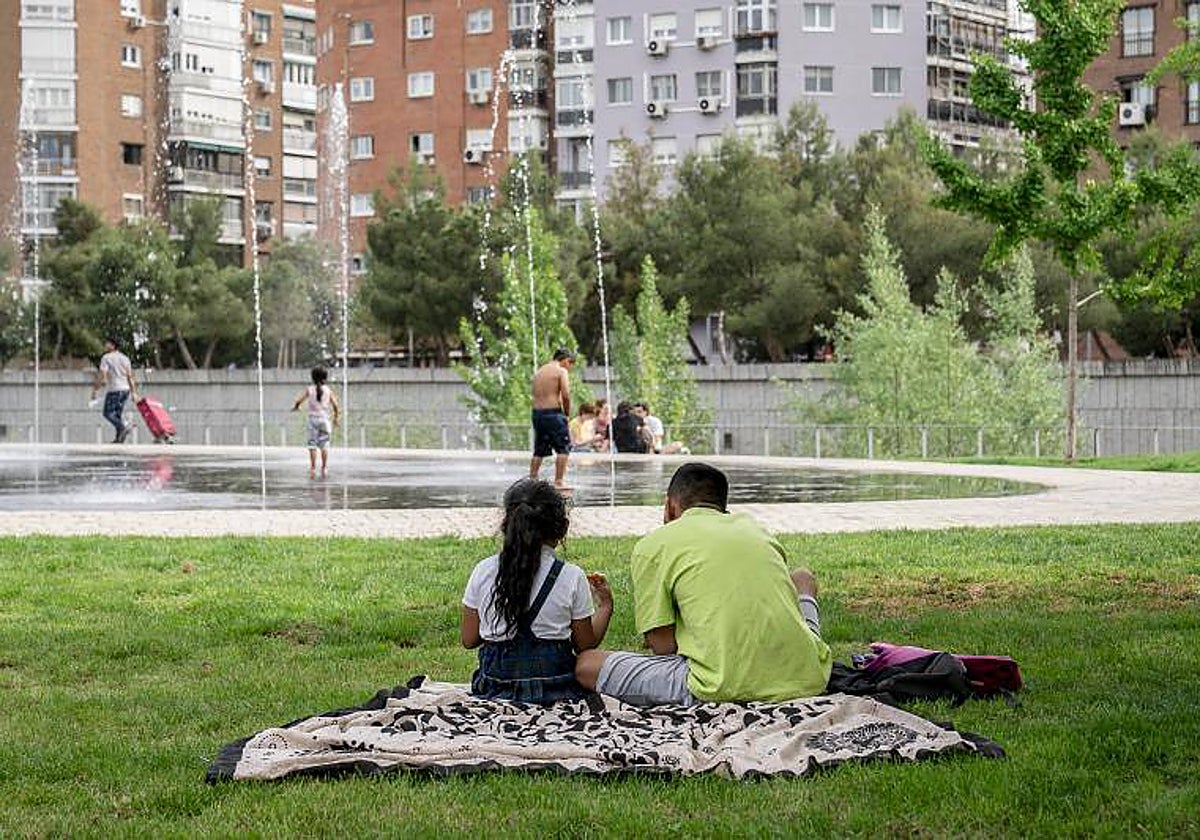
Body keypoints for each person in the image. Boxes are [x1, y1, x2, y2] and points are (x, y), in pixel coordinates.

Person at [576, 463, 832, 706]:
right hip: (808, 675)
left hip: (718, 684)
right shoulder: (756, 530)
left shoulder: (653, 545)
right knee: (802, 577)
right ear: (722, 506)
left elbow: (664, 648)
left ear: (670, 505)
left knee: (587, 664)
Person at [461, 479, 613, 704]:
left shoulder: (483, 570)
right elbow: (585, 646)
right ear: (562, 528)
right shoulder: (571, 576)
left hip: (494, 688)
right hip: (557, 689)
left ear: (506, 525)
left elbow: (469, 639)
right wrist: (606, 606)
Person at [530, 348, 575, 490]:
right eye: (571, 363)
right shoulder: (561, 371)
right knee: (563, 448)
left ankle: (532, 479)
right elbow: (566, 395)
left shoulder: (539, 372)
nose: (570, 367)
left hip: (537, 414)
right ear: (565, 360)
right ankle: (559, 482)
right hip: (553, 414)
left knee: (539, 449)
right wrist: (567, 414)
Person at [291, 366, 341, 479]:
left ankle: (313, 468)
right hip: (325, 420)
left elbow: (298, 400)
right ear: (325, 378)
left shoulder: (309, 389)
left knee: (312, 445)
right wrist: (336, 419)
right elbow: (336, 406)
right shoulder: (328, 390)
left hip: (313, 420)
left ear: (312, 377)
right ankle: (324, 468)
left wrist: (296, 407)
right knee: (324, 445)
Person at [91, 337, 138, 444]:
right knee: (117, 415)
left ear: (112, 345)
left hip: (115, 390)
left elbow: (102, 375)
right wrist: (134, 392)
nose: (105, 345)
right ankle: (119, 438)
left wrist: (95, 390)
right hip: (125, 390)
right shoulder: (125, 358)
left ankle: (123, 427)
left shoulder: (106, 358)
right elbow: (130, 376)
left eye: (107, 343)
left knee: (107, 413)